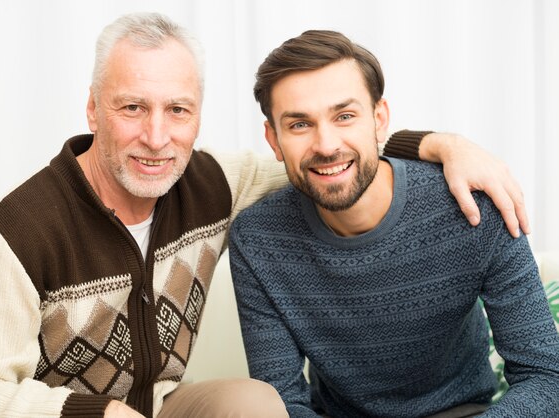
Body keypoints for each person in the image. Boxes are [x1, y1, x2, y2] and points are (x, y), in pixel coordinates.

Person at [0, 12, 529, 418]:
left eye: (178, 109)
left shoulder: (211, 182)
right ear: (93, 109)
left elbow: (329, 166)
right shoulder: (24, 225)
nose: (156, 136)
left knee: (253, 404)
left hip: (167, 405)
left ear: (199, 115)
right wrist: (93, 412)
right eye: (132, 107)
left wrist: (441, 144)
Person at [229, 29, 559, 418]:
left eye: (345, 116)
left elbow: (546, 377)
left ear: (379, 119)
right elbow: (283, 402)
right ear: (274, 138)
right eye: (300, 124)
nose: (326, 144)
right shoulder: (258, 240)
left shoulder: (475, 204)